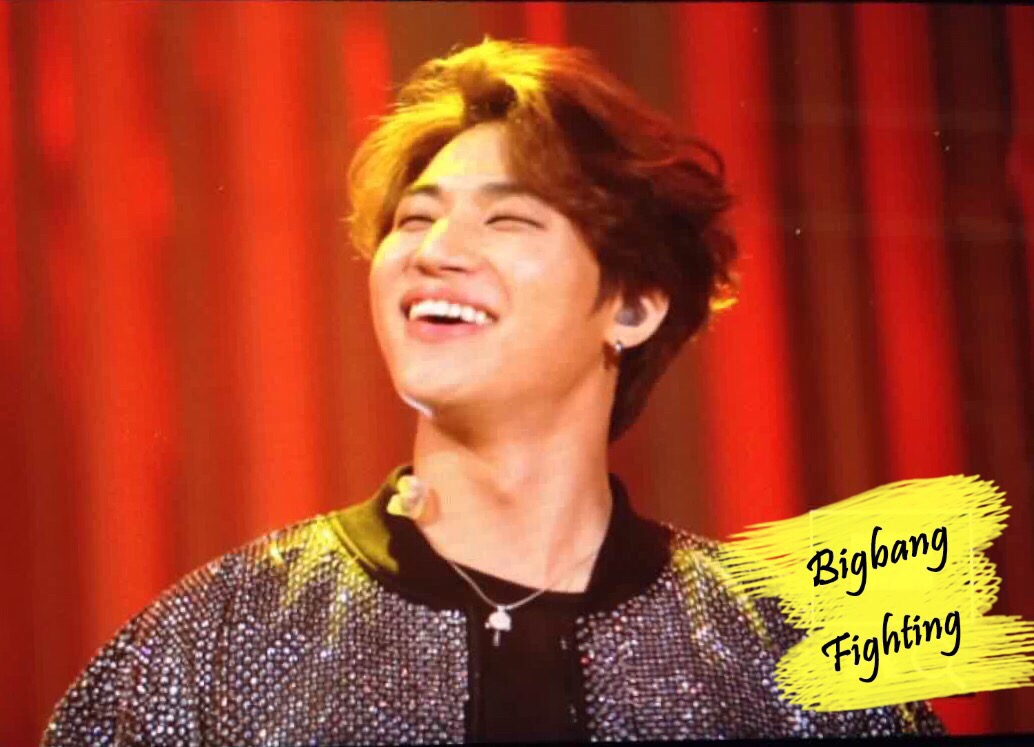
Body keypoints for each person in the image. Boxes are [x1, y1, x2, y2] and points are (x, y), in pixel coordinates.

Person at [42, 38, 943, 744]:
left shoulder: (793, 663)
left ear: (633, 305)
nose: (435, 251)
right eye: (414, 219)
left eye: (508, 218)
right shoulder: (209, 648)